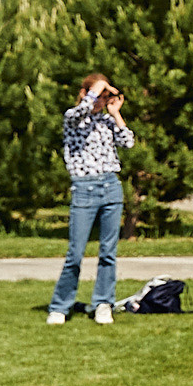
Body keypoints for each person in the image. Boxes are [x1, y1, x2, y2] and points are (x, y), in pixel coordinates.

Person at [47, 74, 134, 327]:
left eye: (106, 97)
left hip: (110, 187)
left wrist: (116, 113)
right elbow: (80, 111)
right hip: (84, 189)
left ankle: (103, 303)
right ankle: (60, 306)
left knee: (108, 252)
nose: (101, 101)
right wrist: (97, 89)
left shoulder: (106, 121)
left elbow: (128, 142)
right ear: (85, 93)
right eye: (99, 96)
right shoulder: (73, 118)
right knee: (75, 253)